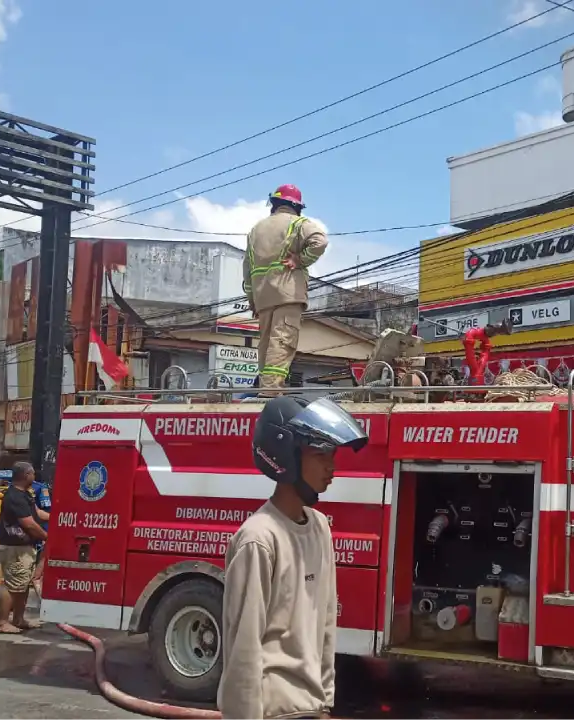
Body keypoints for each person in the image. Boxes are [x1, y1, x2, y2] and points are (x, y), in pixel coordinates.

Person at [218, 396, 368, 720]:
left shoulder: (319, 529)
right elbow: (243, 649)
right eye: (321, 454)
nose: (332, 466)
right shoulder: (259, 539)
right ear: (285, 456)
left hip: (311, 708)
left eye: (333, 454)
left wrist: (325, 702)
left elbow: (325, 625)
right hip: (273, 711)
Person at [242, 185, 329, 395]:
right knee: (282, 342)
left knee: (265, 345)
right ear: (296, 206)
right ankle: (271, 391)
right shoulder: (299, 223)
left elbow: (247, 268)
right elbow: (320, 241)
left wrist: (252, 300)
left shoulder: (256, 230)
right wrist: (300, 260)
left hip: (262, 298)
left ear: (274, 204)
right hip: (287, 293)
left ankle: (265, 387)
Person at [0, 462, 47, 634]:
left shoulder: (25, 494)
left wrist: (60, 517)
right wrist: (48, 537)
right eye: (32, 473)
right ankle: (2, 622)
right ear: (26, 475)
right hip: (14, 547)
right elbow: (29, 524)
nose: (34, 476)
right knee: (11, 586)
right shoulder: (14, 496)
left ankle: (18, 619)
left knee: (22, 585)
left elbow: (36, 513)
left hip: (24, 546)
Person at [461, 320, 512, 385]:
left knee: (477, 371)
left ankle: (476, 376)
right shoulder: (473, 333)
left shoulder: (484, 337)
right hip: (472, 336)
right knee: (475, 371)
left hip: (477, 382)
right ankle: (475, 376)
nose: (494, 334)